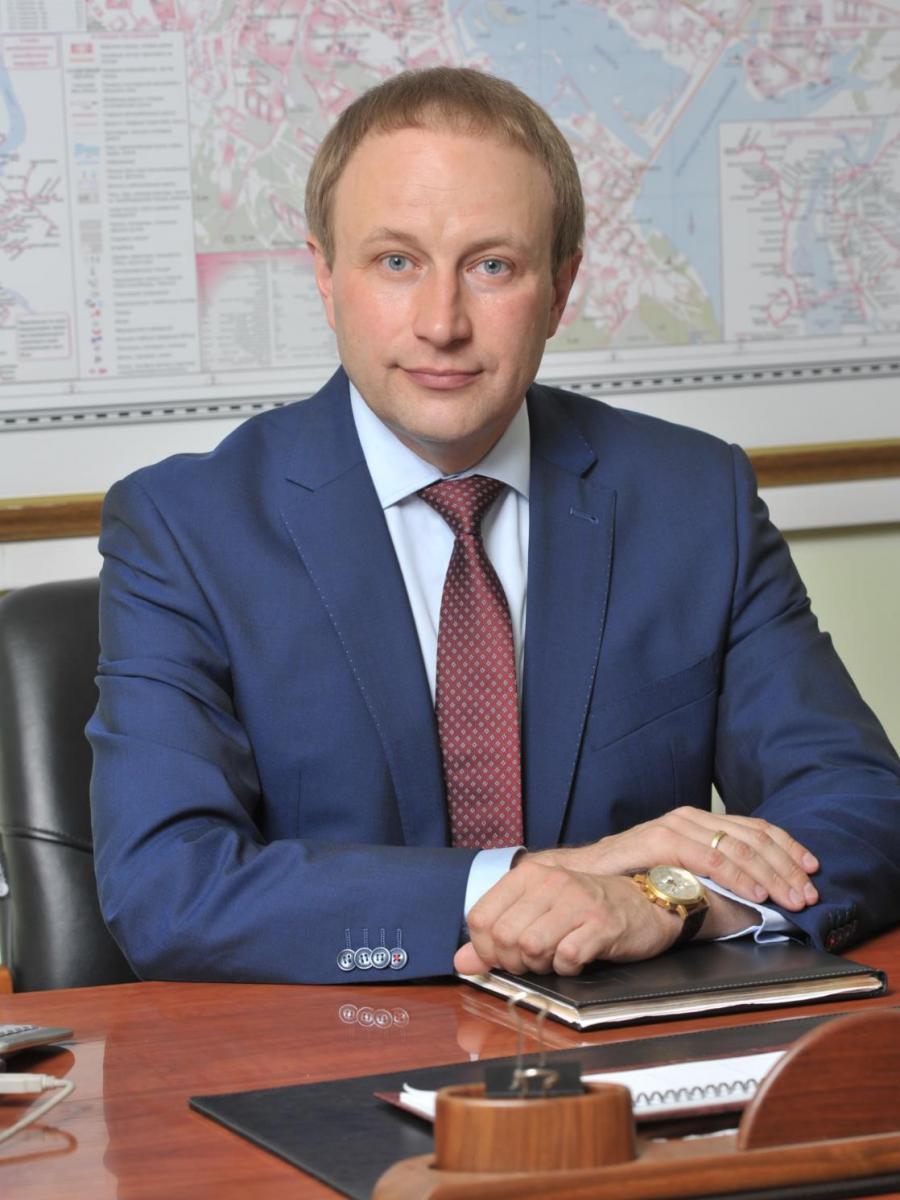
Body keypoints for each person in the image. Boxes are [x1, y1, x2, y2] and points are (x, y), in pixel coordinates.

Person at [88, 67, 900, 985]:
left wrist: (667, 899)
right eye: (396, 262)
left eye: (492, 267)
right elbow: (166, 888)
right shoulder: (185, 529)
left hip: (634, 1045)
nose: (442, 323)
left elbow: (863, 804)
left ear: (560, 288)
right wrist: (532, 884)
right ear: (325, 275)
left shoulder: (692, 498)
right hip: (338, 1050)